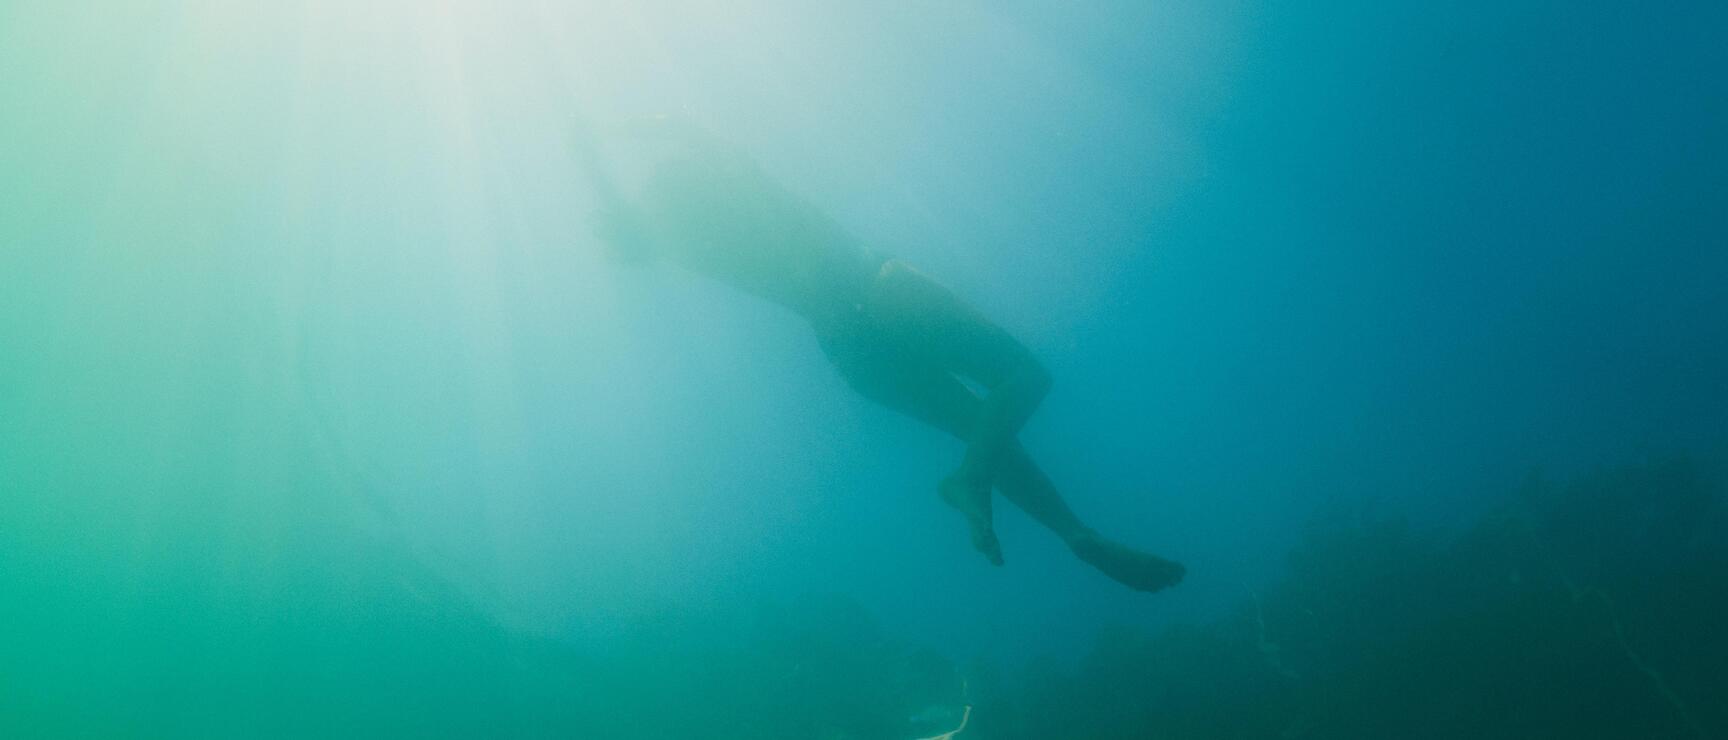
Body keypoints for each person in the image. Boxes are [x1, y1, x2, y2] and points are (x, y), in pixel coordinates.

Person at [583, 121, 1184, 593]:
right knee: (1025, 375)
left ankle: (1073, 533)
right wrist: (667, 128)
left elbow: (650, 208)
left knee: (983, 429)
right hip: (877, 289)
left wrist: (611, 172)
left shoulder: (683, 247)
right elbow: (716, 150)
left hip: (846, 349)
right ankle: (975, 483)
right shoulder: (723, 190)